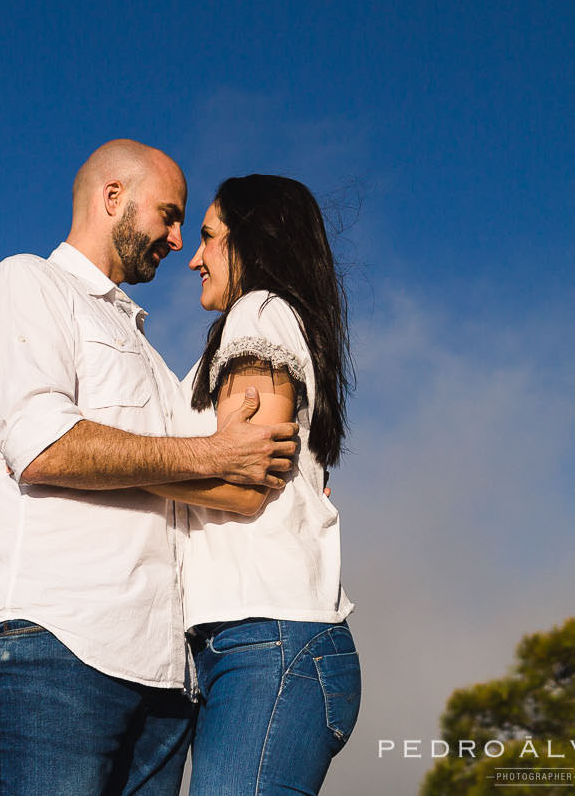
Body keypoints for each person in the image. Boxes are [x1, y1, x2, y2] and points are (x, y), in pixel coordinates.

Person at [0, 140, 300, 796]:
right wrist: (214, 453)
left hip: (162, 678)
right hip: (55, 647)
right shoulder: (27, 282)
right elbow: (43, 445)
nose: (175, 239)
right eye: (167, 215)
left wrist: (293, 476)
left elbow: (213, 483)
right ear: (113, 198)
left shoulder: (152, 359)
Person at [150, 174, 361, 796]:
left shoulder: (260, 312)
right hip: (252, 645)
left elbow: (246, 484)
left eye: (210, 238)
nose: (194, 256)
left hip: (270, 640)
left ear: (252, 240)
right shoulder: (265, 326)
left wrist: (113, 474)